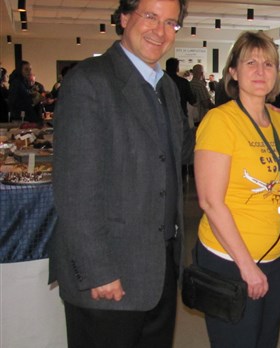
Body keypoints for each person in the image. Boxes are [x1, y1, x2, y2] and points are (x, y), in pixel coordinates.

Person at [49, 0, 189, 347]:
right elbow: (75, 190)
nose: (160, 31)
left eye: (171, 22)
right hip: (109, 275)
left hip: (159, 268)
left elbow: (184, 150)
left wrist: (248, 109)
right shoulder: (89, 82)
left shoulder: (166, 87)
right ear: (124, 17)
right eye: (150, 17)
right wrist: (98, 270)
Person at [193, 31, 280, 348]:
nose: (259, 70)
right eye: (250, 62)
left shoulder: (279, 121)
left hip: (276, 258)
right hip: (231, 261)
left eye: (268, 63)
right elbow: (210, 202)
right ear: (233, 72)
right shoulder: (219, 121)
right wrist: (247, 267)